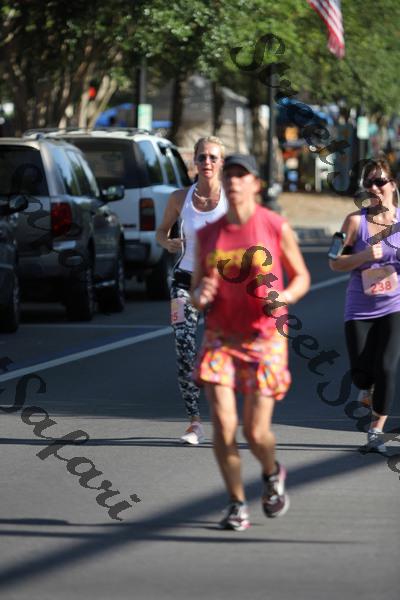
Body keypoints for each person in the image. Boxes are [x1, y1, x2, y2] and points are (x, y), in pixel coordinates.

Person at [190, 154, 310, 530]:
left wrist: (285, 297)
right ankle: (236, 503)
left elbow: (301, 276)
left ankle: (272, 472)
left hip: (265, 337)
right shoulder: (209, 234)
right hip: (221, 338)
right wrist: (200, 295)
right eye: (229, 175)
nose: (234, 182)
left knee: (255, 432)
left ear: (256, 184)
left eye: (242, 176)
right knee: (224, 427)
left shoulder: (273, 225)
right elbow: (195, 290)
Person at [156, 136, 227, 445]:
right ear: (194, 162)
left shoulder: (232, 200)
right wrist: (167, 242)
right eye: (201, 157)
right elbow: (161, 232)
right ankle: (194, 422)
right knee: (183, 350)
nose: (206, 162)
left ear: (221, 162)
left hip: (222, 288)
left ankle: (223, 416)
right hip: (183, 283)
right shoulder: (179, 198)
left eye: (212, 157)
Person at [329, 157, 400, 455]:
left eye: (380, 181)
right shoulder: (354, 222)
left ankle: (376, 430)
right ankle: (366, 387)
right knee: (361, 374)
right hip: (359, 308)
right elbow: (334, 262)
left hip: (394, 306)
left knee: (386, 367)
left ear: (392, 185)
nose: (374, 187)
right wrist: (363, 257)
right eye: (368, 182)